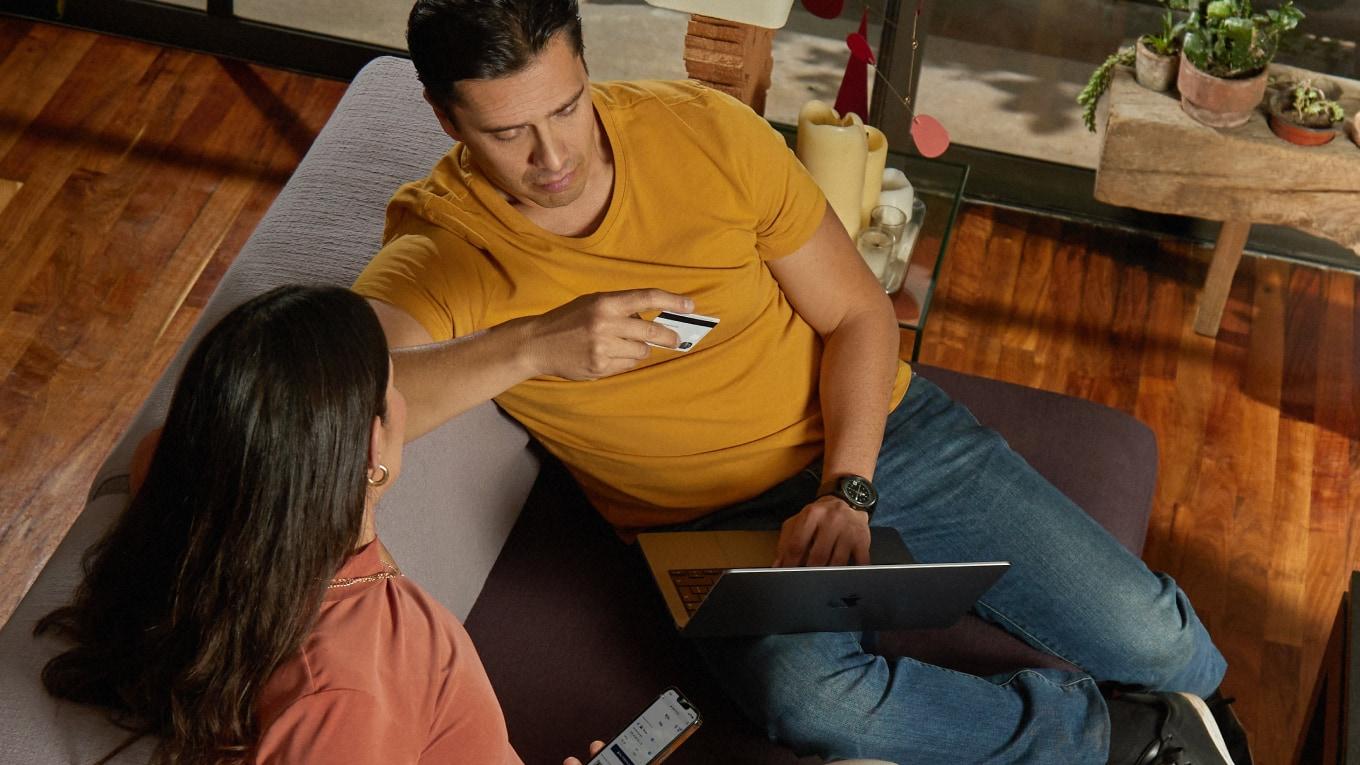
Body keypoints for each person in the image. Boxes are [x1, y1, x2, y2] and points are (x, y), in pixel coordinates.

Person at [352, 1, 1249, 763]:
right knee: (813, 700)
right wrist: (530, 347)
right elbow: (343, 402)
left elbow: (859, 312)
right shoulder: (446, 243)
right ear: (446, 119)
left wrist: (848, 486)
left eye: (567, 107)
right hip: (705, 527)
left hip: (879, 436)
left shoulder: (704, 133)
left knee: (1159, 639)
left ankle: (1206, 721)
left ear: (586, 68)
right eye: (507, 132)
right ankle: (1127, 739)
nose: (553, 156)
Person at [35, 286, 604, 765]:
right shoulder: (345, 689)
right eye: (392, 387)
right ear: (371, 447)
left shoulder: (185, 484)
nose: (406, 399)